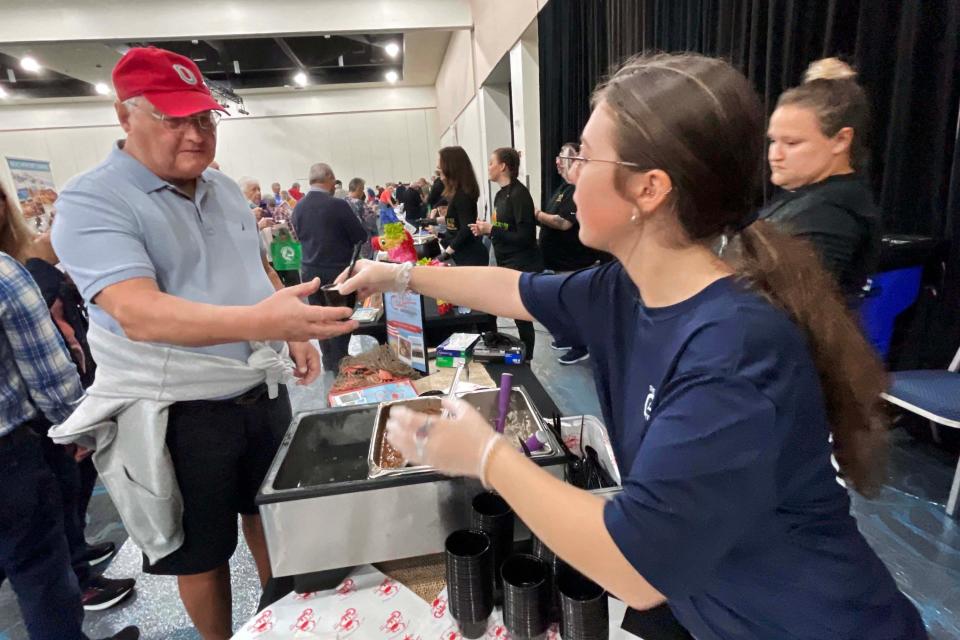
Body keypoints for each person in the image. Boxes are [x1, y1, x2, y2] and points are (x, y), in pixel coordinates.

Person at [339, 53, 927, 640]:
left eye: (586, 155)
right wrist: (398, 277)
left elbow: (638, 566)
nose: (572, 169)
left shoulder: (733, 350)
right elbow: (514, 288)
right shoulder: (626, 289)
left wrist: (486, 456)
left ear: (648, 189)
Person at [50, 47, 355, 640]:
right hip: (181, 409)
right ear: (125, 116)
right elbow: (139, 312)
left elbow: (256, 265)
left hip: (257, 388)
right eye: (173, 119)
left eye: (205, 119)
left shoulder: (224, 189)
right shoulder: (93, 201)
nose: (195, 134)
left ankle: (283, 623)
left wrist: (283, 324)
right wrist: (262, 323)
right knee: (203, 551)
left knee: (274, 516)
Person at [1, 185, 139, 640]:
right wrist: (80, 427)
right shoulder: (7, 274)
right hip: (12, 452)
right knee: (40, 573)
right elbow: (47, 370)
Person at [762, 57, 879, 301]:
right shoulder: (811, 199)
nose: (775, 155)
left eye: (791, 143)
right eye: (773, 141)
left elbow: (790, 309)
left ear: (841, 140)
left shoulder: (832, 216)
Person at [292, 162, 368, 373]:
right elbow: (360, 235)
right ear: (330, 178)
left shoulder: (298, 207)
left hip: (309, 271)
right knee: (341, 314)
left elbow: (298, 235)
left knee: (319, 317)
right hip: (337, 271)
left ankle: (329, 360)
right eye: (334, 180)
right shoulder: (338, 205)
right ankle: (341, 359)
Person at [470, 147, 543, 358]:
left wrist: (491, 230)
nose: (489, 167)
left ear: (503, 166)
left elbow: (525, 236)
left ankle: (527, 359)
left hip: (521, 264)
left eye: (492, 163)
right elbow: (502, 229)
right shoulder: (500, 195)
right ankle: (492, 345)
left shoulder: (519, 195)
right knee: (491, 307)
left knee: (521, 317)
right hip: (503, 261)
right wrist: (486, 230)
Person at [536, 142, 605, 365]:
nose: (557, 161)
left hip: (575, 262)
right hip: (559, 261)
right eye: (558, 155)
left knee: (576, 306)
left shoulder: (578, 188)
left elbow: (564, 223)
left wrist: (537, 214)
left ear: (576, 160)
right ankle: (569, 337)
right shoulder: (563, 188)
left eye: (563, 156)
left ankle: (581, 346)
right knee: (564, 304)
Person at [435, 147, 487, 267]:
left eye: (441, 167)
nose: (439, 171)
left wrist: (446, 253)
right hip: (463, 254)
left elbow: (466, 229)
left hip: (469, 257)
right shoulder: (458, 193)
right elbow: (455, 223)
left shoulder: (463, 195)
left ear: (451, 167)